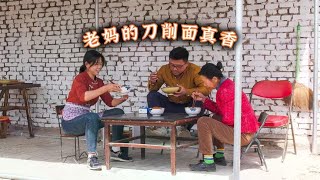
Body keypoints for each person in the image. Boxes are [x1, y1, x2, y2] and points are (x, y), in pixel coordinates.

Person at [61, 50, 132, 171]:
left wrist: (123, 98)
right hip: (71, 122)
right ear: (87, 64)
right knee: (91, 116)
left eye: (101, 64)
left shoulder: (99, 82)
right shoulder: (80, 78)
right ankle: (92, 157)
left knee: (118, 112)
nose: (99, 67)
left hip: (87, 118)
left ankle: (115, 148)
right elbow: (84, 97)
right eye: (96, 64)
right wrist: (106, 88)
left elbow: (110, 103)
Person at [189, 62, 259, 172]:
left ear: (214, 79)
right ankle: (219, 156)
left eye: (204, 81)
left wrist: (212, 127)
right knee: (216, 118)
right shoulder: (226, 85)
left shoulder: (225, 90)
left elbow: (228, 119)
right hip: (245, 132)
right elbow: (221, 111)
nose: (204, 85)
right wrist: (204, 99)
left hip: (243, 135)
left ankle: (208, 163)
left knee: (203, 121)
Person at [147, 47, 210, 113]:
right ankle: (159, 121)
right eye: (172, 65)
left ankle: (189, 122)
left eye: (179, 66)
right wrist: (153, 82)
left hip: (190, 105)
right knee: (152, 95)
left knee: (199, 99)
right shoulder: (164, 69)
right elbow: (153, 90)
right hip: (170, 105)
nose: (174, 69)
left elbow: (206, 90)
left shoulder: (195, 70)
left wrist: (186, 91)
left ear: (186, 64)